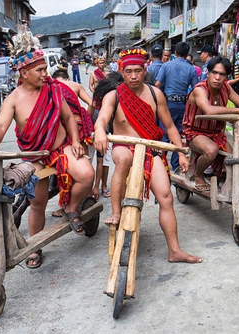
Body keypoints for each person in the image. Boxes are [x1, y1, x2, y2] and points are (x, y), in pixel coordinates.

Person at [0, 23, 94, 269]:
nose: (45, 74)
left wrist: (75, 140)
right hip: (35, 155)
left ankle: (71, 208)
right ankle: (35, 247)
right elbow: (0, 126)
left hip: (61, 148)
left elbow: (67, 118)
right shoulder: (13, 99)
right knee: (37, 203)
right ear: (24, 73)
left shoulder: (53, 91)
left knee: (87, 174)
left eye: (45, 69)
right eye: (40, 70)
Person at [94, 48, 201, 264]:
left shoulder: (155, 94)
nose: (133, 76)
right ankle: (116, 212)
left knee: (166, 197)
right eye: (128, 71)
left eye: (138, 71)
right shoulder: (113, 96)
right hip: (124, 148)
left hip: (150, 151)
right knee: (123, 159)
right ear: (122, 72)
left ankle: (175, 250)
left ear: (145, 71)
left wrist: (180, 152)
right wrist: (99, 132)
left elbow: (170, 126)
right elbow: (102, 120)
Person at [182, 56, 239, 218]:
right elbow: (209, 110)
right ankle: (198, 173)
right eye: (214, 73)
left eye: (222, 74)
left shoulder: (226, 88)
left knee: (236, 162)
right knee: (211, 150)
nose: (217, 77)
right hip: (195, 132)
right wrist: (238, 111)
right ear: (208, 73)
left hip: (216, 134)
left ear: (227, 77)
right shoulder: (200, 89)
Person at [51, 68, 96, 210]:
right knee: (83, 160)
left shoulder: (51, 87)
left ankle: (66, 205)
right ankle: (86, 199)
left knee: (64, 165)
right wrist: (85, 116)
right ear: (67, 78)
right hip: (80, 128)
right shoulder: (75, 86)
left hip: (63, 130)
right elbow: (93, 103)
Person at [155, 41, 199, 170]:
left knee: (164, 133)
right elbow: (196, 89)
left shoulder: (167, 66)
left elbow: (157, 84)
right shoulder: (191, 69)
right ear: (187, 54)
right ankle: (176, 165)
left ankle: (160, 162)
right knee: (178, 135)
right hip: (182, 105)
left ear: (175, 53)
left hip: (167, 103)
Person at [89, 57, 111, 199]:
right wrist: (96, 90)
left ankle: (103, 185)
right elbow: (91, 86)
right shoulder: (93, 74)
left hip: (104, 106)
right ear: (97, 64)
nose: (102, 65)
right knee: (98, 159)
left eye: (103, 62)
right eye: (100, 63)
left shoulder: (108, 74)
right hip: (97, 104)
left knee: (105, 159)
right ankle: (95, 186)